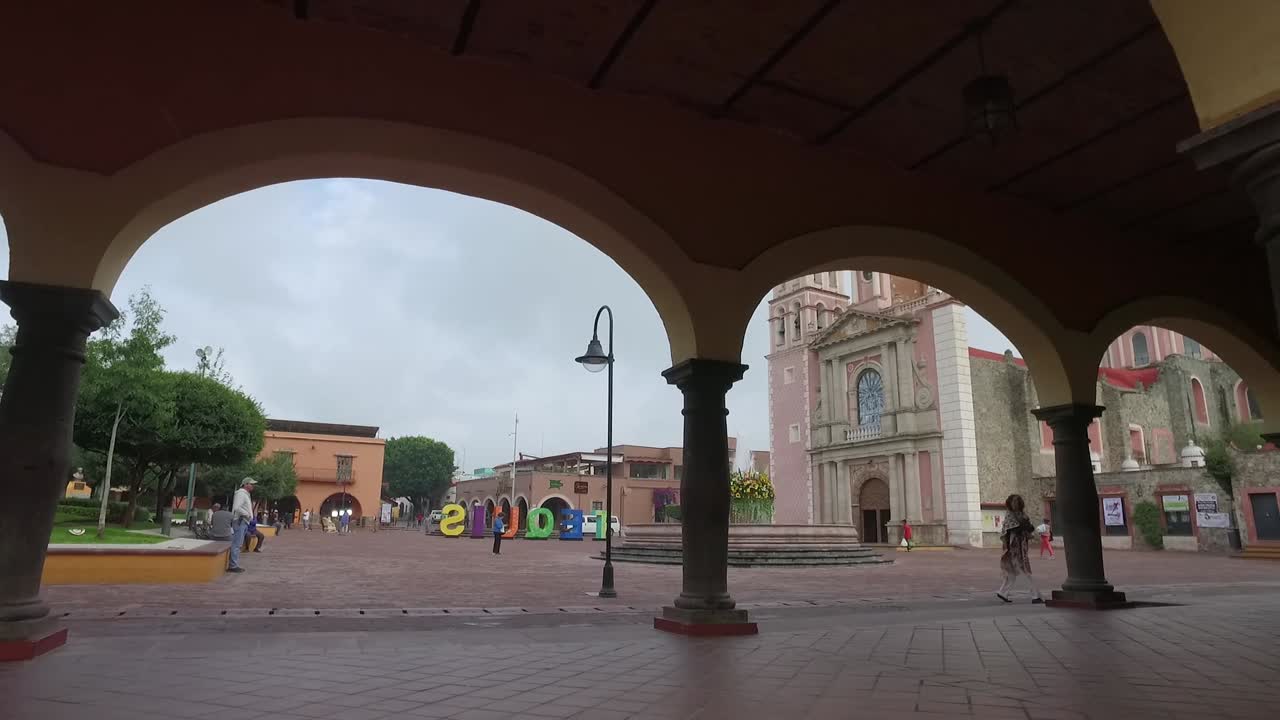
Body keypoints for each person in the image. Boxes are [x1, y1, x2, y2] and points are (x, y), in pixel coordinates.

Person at [997, 494, 1042, 604]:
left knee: (1012, 572)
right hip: (1013, 547)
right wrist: (1024, 525)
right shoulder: (1009, 515)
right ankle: (1035, 595)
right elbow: (1014, 528)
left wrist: (1025, 526)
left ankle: (1003, 592)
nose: (1015, 504)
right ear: (1009, 503)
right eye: (1013, 502)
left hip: (1022, 546)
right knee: (1025, 570)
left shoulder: (1022, 514)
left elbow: (1030, 528)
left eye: (1017, 502)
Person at [228, 477, 256, 573]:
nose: (253, 486)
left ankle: (234, 564)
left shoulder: (245, 494)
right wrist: (247, 514)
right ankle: (233, 565)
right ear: (245, 484)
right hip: (240, 520)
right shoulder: (241, 494)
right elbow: (237, 507)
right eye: (251, 484)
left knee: (238, 543)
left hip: (244, 521)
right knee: (237, 543)